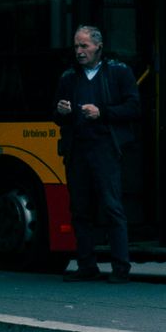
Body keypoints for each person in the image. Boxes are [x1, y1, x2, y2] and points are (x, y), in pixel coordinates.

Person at [52, 25, 141, 284]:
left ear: (98, 47)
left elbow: (134, 107)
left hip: (105, 148)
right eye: (76, 46)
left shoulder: (118, 72)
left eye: (84, 46)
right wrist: (61, 111)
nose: (79, 51)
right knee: (80, 209)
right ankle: (86, 265)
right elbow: (56, 115)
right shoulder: (69, 77)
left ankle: (121, 267)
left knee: (112, 207)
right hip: (77, 149)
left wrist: (102, 112)